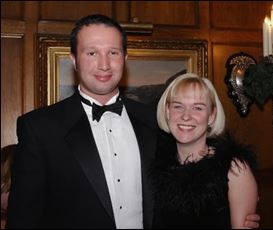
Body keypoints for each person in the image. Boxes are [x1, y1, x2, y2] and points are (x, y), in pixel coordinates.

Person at [7, 14, 259, 229]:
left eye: (113, 53)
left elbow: (191, 170)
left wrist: (233, 204)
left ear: (125, 58)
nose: (104, 64)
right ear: (74, 59)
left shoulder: (154, 121)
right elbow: (23, 219)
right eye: (92, 52)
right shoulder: (40, 128)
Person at [153, 73, 258, 228]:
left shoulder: (233, 169)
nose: (186, 116)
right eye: (178, 106)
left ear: (211, 116)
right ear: (168, 111)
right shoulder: (155, 166)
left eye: (197, 108)